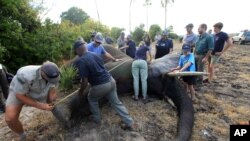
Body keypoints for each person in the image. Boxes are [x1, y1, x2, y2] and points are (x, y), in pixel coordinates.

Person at [73, 40, 136, 130]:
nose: (76, 54)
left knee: (92, 98)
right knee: (116, 102)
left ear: (78, 50)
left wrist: (81, 91)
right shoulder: (95, 54)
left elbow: (84, 82)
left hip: (101, 85)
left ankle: (97, 119)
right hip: (111, 81)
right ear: (85, 47)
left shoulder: (81, 61)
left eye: (75, 52)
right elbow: (101, 68)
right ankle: (129, 122)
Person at [5, 61, 60, 141]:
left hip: (40, 89)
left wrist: (52, 93)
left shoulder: (55, 72)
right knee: (10, 119)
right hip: (20, 92)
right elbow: (19, 95)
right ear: (42, 72)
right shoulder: (25, 74)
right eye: (50, 78)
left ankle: (61, 119)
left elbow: (54, 84)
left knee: (52, 100)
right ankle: (22, 135)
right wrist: (41, 105)